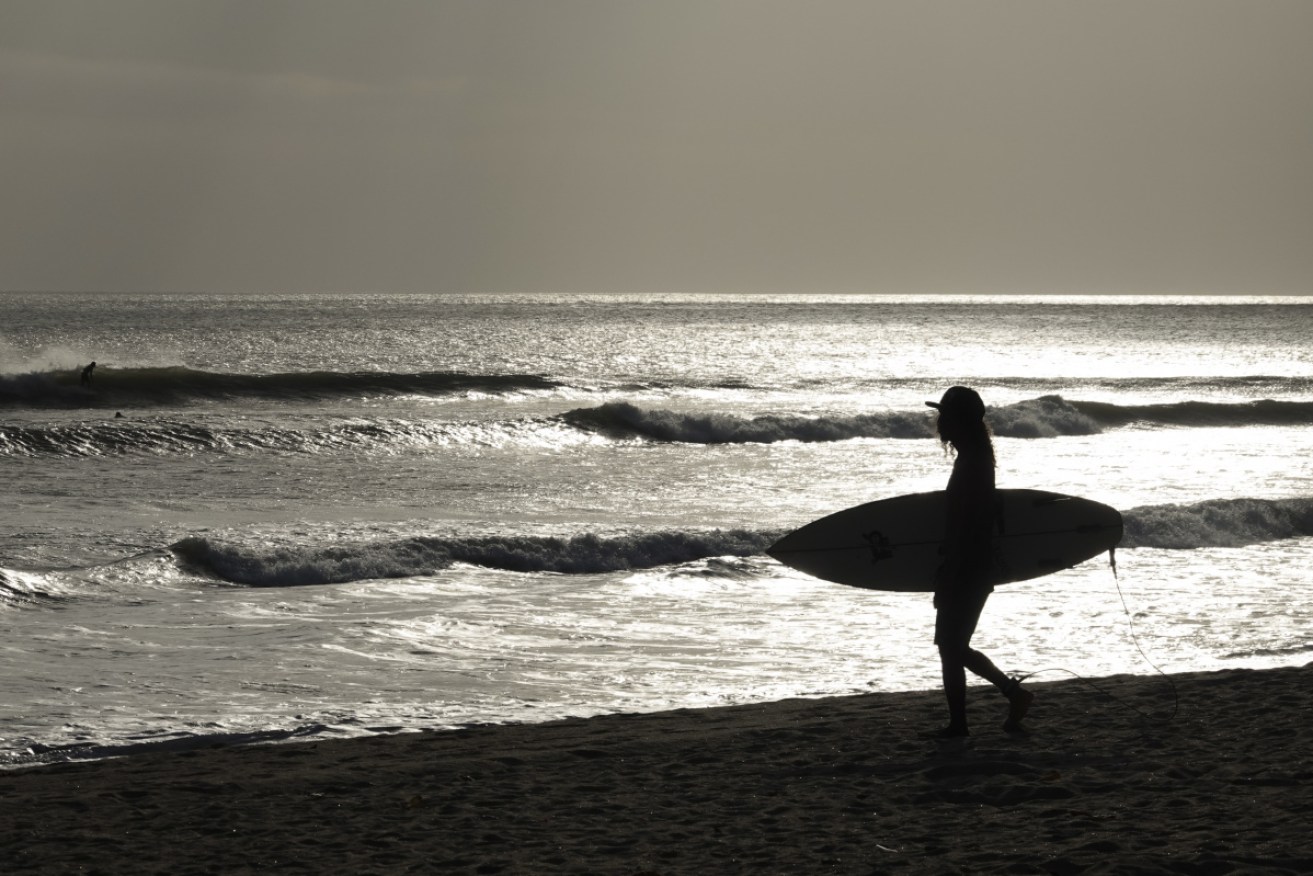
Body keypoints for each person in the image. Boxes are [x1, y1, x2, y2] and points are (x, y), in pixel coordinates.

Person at [926, 386, 1032, 737]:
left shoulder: (973, 463)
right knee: (952, 646)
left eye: (945, 417)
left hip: (968, 565)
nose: (940, 424)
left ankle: (965, 721)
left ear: (960, 422)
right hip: (971, 563)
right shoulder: (975, 457)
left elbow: (971, 522)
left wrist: (952, 567)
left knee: (950, 645)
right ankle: (1009, 697)